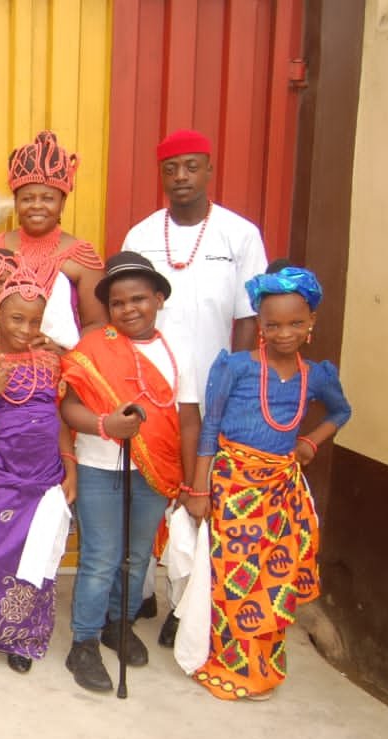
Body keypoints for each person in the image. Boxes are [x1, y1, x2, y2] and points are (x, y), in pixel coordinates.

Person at [121, 129, 269, 641]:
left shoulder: (239, 235)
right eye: (170, 168)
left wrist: (236, 387)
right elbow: (124, 311)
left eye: (191, 167)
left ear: (208, 170)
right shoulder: (141, 235)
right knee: (142, 488)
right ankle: (137, 593)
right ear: (160, 174)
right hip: (148, 389)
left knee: (197, 497)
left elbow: (250, 320)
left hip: (210, 393)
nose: (180, 177)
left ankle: (185, 605)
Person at [184, 267, 350, 701]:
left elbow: (340, 412)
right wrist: (200, 489)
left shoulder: (315, 376)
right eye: (272, 324)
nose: (284, 333)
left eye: (296, 323)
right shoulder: (236, 367)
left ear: (311, 321)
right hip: (233, 487)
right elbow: (210, 426)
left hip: (281, 491)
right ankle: (229, 666)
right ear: (259, 324)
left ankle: (265, 668)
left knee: (273, 584)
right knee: (233, 580)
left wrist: (310, 442)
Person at [59, 252, 202, 693]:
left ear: (159, 298)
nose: (128, 309)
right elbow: (67, 407)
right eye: (118, 303)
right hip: (101, 467)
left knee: (137, 557)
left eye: (138, 299)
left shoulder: (179, 351)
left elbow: (190, 419)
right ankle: (83, 640)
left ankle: (117, 624)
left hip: (155, 472)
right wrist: (107, 426)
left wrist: (192, 480)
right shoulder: (91, 348)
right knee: (101, 558)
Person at [0, 268, 77, 672]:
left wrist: (71, 469)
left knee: (35, 558)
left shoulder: (52, 363)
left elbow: (60, 420)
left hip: (44, 479)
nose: (26, 328)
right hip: (0, 477)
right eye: (16, 319)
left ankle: (22, 641)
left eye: (34, 321)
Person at [0, 131, 106, 344]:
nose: (37, 205)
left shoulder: (81, 255)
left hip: (61, 364)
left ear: (62, 204)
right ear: (16, 203)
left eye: (48, 198)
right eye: (27, 198)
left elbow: (96, 325)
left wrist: (65, 355)